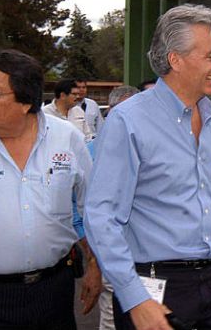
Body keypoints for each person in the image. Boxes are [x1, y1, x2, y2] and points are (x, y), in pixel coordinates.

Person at [84, 4, 211, 330]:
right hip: (155, 285)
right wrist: (134, 297)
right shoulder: (128, 121)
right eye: (210, 56)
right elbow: (101, 216)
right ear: (175, 59)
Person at [0, 49, 101, 329]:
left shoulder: (68, 139)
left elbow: (94, 208)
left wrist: (96, 266)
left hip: (54, 294)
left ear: (26, 102)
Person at [83, 84, 140, 330]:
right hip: (111, 251)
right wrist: (93, 261)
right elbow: (87, 208)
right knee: (111, 318)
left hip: (147, 257)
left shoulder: (148, 145)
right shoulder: (92, 150)